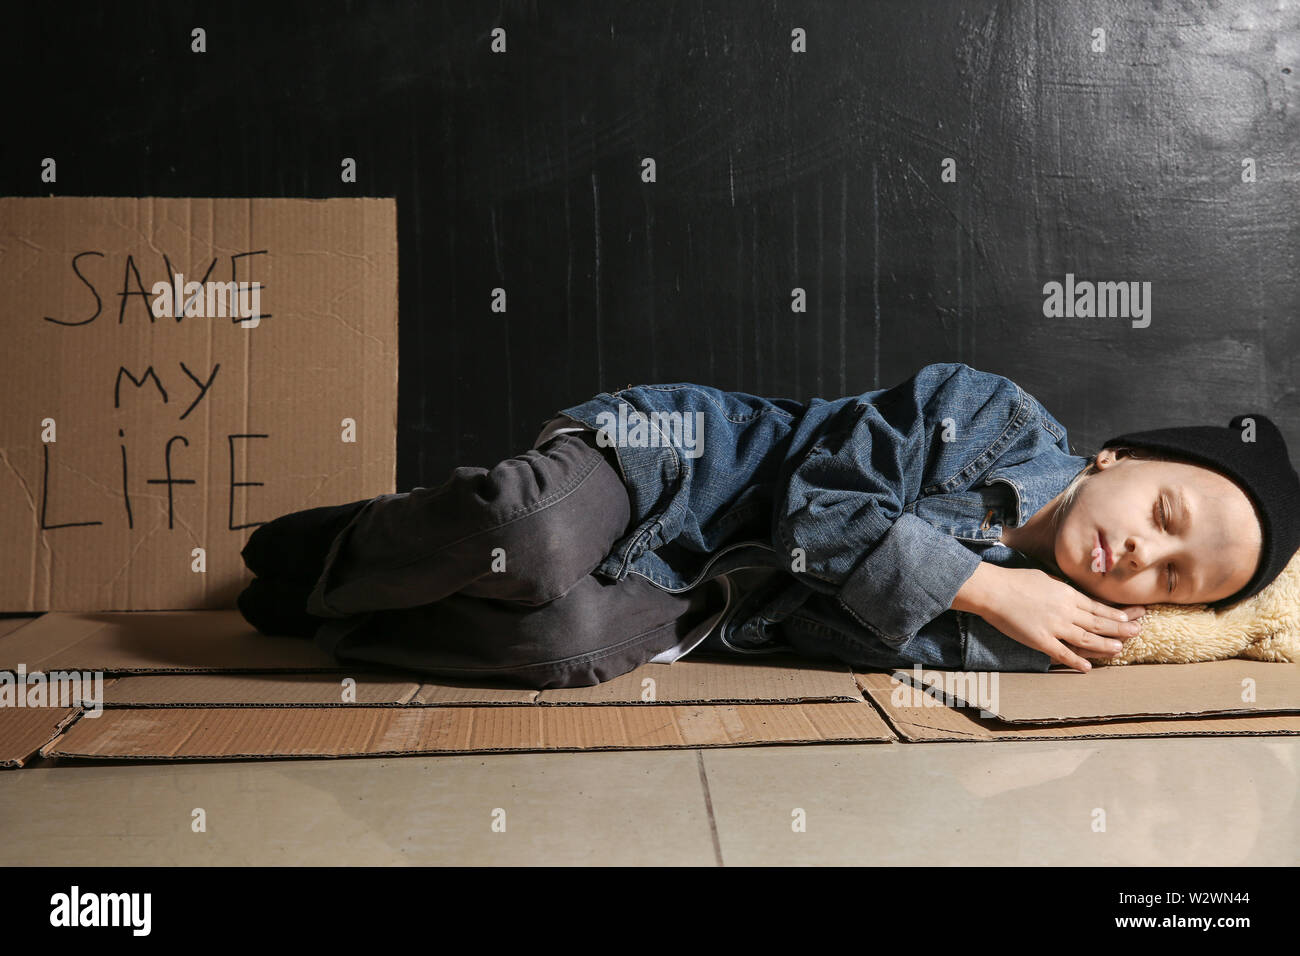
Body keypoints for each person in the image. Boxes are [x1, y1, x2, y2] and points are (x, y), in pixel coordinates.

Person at [237, 362, 1300, 688]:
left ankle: (349, 607)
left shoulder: (1040, 635)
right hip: (678, 466)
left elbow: (846, 635)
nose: (1141, 556)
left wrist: (1002, 619)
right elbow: (816, 510)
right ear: (1122, 454)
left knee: (557, 644)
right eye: (1165, 515)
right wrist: (982, 583)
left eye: (1171, 581)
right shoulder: (989, 414)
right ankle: (326, 554)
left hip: (701, 597)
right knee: (535, 536)